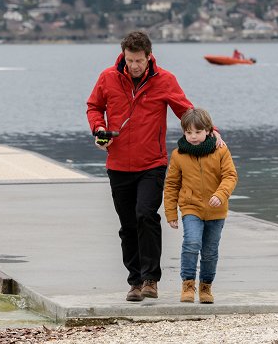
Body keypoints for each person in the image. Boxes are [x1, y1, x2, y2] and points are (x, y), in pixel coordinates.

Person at [86, 30, 224, 303]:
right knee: (127, 225)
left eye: (139, 60)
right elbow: (94, 106)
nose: (134, 66)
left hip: (152, 164)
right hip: (117, 164)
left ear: (149, 57)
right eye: (130, 60)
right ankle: (134, 281)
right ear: (123, 56)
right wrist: (98, 128)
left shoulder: (165, 80)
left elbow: (186, 110)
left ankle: (151, 279)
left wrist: (212, 131)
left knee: (145, 216)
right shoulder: (108, 78)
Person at [164, 108, 237, 304]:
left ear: (208, 130)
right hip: (191, 207)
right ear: (183, 132)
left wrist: (221, 195)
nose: (193, 137)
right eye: (188, 133)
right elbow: (172, 184)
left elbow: (230, 176)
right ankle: (188, 285)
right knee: (191, 243)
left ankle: (206, 287)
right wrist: (171, 212)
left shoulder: (221, 150)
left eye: (197, 132)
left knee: (210, 251)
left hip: (216, 209)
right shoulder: (179, 155)